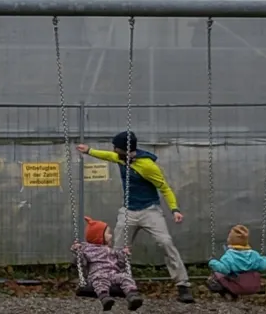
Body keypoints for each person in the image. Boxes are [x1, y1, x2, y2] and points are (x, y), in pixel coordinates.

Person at [77, 130, 193, 303]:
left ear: (125, 149)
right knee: (117, 248)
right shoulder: (120, 158)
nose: (114, 150)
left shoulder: (147, 166)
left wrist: (174, 209)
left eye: (117, 147)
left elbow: (164, 187)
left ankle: (182, 285)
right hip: (129, 211)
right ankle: (114, 282)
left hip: (149, 210)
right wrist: (88, 151)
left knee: (165, 242)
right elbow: (107, 155)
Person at [75, 217, 142, 311]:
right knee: (100, 282)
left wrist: (124, 254)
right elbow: (82, 263)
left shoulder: (111, 250)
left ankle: (132, 296)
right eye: (108, 233)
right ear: (99, 236)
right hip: (98, 274)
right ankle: (105, 298)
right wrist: (78, 253)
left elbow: (121, 264)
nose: (111, 236)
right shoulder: (87, 250)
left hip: (113, 274)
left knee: (124, 277)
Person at [206, 224, 266, 298]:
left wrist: (212, 262)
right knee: (255, 273)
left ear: (230, 240)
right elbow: (265, 265)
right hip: (253, 286)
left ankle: (227, 291)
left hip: (235, 286)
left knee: (217, 274)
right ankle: (233, 293)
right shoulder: (254, 254)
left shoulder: (229, 256)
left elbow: (224, 269)